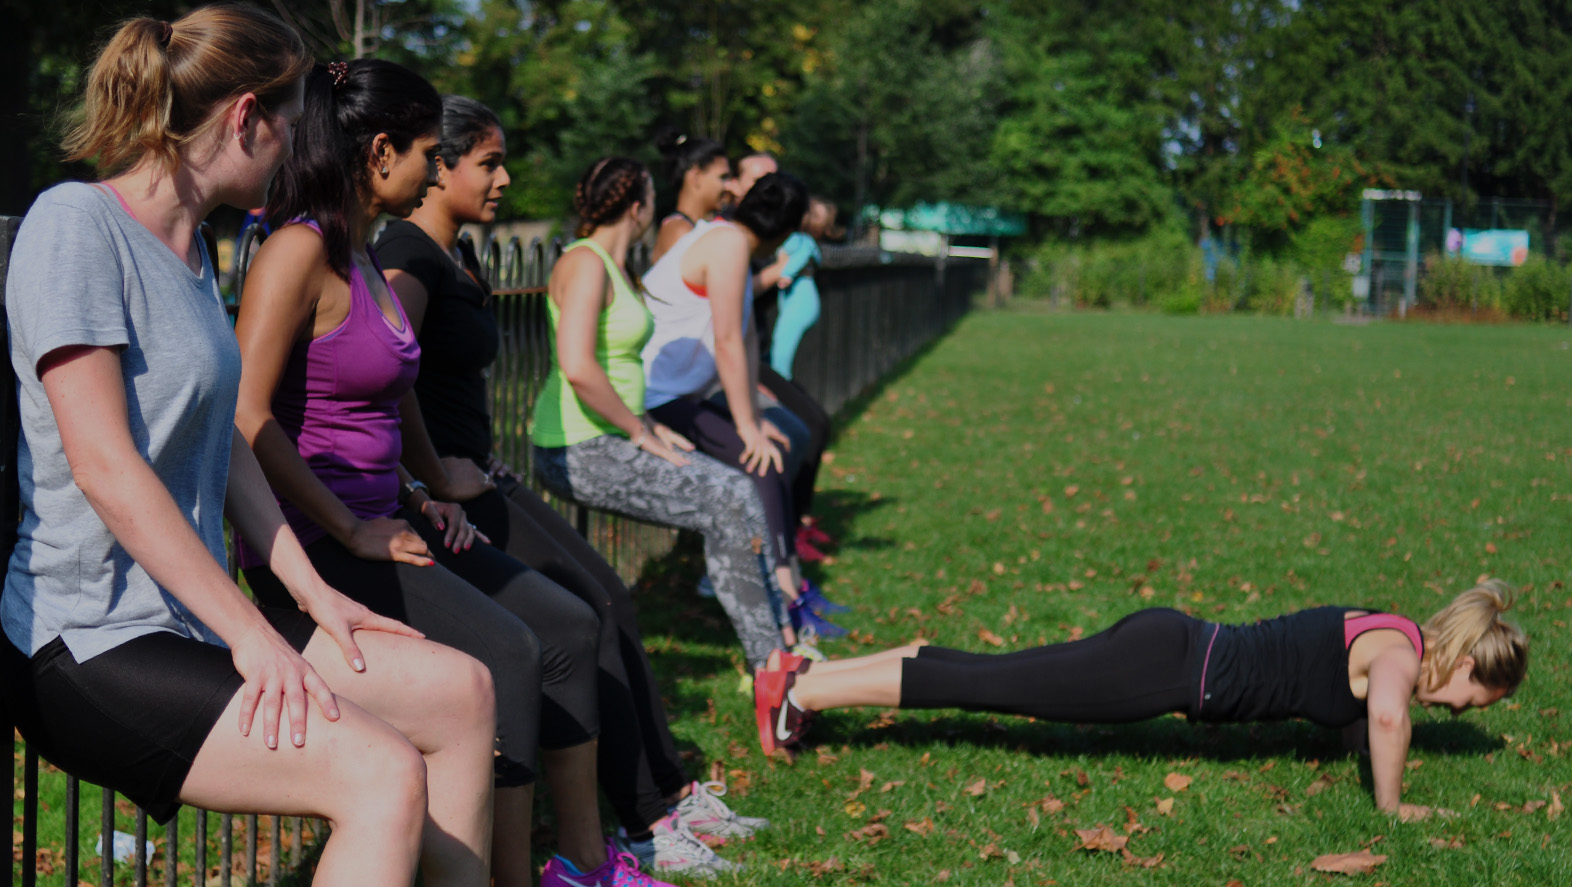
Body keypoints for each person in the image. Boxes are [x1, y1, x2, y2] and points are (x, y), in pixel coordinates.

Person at [0, 8, 496, 886]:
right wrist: (251, 632)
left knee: (463, 693)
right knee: (380, 773)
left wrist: (314, 596)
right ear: (243, 118)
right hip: (90, 640)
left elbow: (225, 443)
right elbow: (104, 466)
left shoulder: (194, 251)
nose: (300, 149)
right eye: (291, 125)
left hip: (191, 620)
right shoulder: (75, 224)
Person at [232, 59, 652, 887]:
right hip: (317, 541)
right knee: (511, 651)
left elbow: (386, 396)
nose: (435, 171)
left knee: (564, 628)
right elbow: (247, 417)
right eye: (430, 152)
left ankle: (569, 863)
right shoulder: (297, 251)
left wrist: (423, 489)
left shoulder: (360, 253)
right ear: (380, 152)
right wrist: (351, 526)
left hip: (387, 523)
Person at [376, 97, 765, 876]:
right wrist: (426, 479)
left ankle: (659, 800)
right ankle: (640, 819)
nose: (505, 179)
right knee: (580, 618)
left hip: (478, 476)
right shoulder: (408, 258)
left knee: (607, 598)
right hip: (443, 499)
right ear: (439, 166)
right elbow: (384, 374)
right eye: (489, 163)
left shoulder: (458, 251)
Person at [756, 583, 1528, 816]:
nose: (1458, 709)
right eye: (1471, 696)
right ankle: (803, 690)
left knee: (991, 672)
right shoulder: (1400, 656)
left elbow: (1360, 710)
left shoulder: (1395, 629)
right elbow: (1386, 713)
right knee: (991, 684)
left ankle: (808, 672)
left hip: (1170, 645)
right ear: (1462, 659)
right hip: (1165, 669)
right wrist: (1392, 807)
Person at [532, 156, 790, 684]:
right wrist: (637, 429)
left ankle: (780, 649)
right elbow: (578, 366)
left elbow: (617, 366)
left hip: (613, 434)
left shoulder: (614, 266)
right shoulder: (584, 263)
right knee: (729, 498)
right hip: (577, 447)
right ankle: (775, 671)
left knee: (738, 494)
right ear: (638, 207)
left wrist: (646, 421)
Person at [641, 171, 845, 636]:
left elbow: (747, 339)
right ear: (787, 231)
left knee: (778, 444)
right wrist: (749, 430)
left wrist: (752, 418)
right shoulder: (729, 244)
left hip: (679, 394)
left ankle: (783, 583)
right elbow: (728, 341)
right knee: (763, 463)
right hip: (656, 397)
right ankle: (783, 604)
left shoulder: (728, 238)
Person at [652, 130, 729, 264]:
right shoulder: (680, 231)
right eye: (722, 177)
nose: (728, 186)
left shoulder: (691, 227)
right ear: (696, 176)